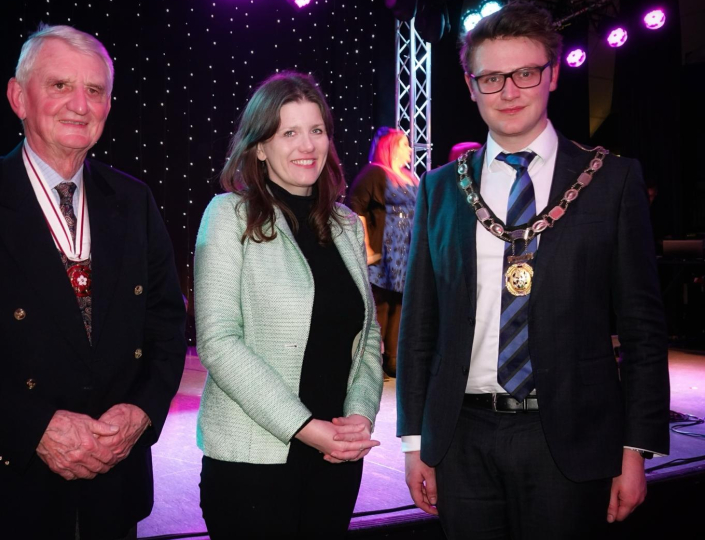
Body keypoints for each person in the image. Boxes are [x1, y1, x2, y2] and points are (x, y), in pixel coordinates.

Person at [0, 24, 186, 540]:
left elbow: (165, 326)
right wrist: (35, 430)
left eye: (94, 90)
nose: (79, 104)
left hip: (109, 498)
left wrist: (141, 413)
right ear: (17, 96)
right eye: (59, 85)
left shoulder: (134, 201)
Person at [396, 3, 670, 539]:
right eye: (491, 78)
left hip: (570, 438)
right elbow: (418, 327)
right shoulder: (440, 189)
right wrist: (414, 443)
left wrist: (636, 449)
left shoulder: (610, 181)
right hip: (461, 437)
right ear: (470, 85)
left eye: (525, 73)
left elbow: (642, 328)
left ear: (552, 73)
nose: (509, 91)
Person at [194, 71, 384, 539]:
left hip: (336, 457)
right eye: (289, 132)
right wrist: (305, 427)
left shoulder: (345, 224)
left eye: (317, 130)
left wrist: (358, 417)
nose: (307, 145)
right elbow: (218, 342)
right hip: (253, 464)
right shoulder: (227, 216)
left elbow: (368, 336)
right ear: (260, 146)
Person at [348, 128, 420, 379]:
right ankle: (370, 362)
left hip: (406, 252)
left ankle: (393, 359)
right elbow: (356, 208)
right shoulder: (375, 173)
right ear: (390, 147)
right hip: (383, 250)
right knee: (379, 307)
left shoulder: (409, 177)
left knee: (399, 305)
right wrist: (365, 246)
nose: (410, 150)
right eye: (404, 145)